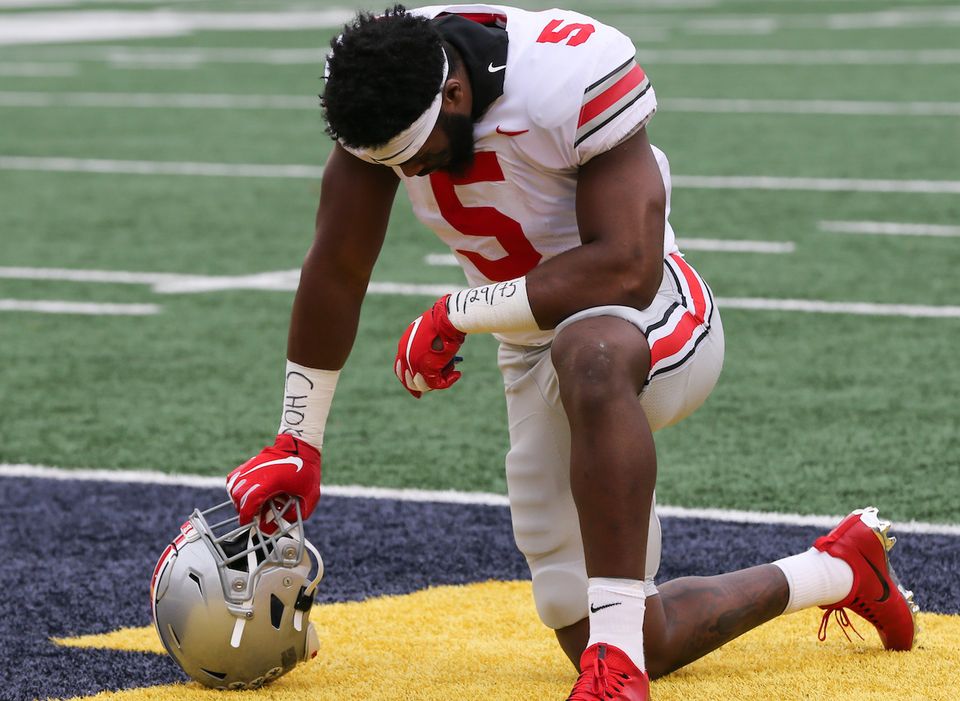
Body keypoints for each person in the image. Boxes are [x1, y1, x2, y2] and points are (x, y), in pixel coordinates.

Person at [223, 5, 919, 699]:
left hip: (651, 317)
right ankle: (839, 568)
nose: (412, 172)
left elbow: (626, 265)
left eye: (420, 152)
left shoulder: (567, 70)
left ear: (455, 96)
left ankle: (615, 670)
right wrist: (297, 437)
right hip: (530, 349)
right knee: (624, 633)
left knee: (588, 349)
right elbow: (338, 264)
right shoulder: (382, 87)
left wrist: (457, 311)